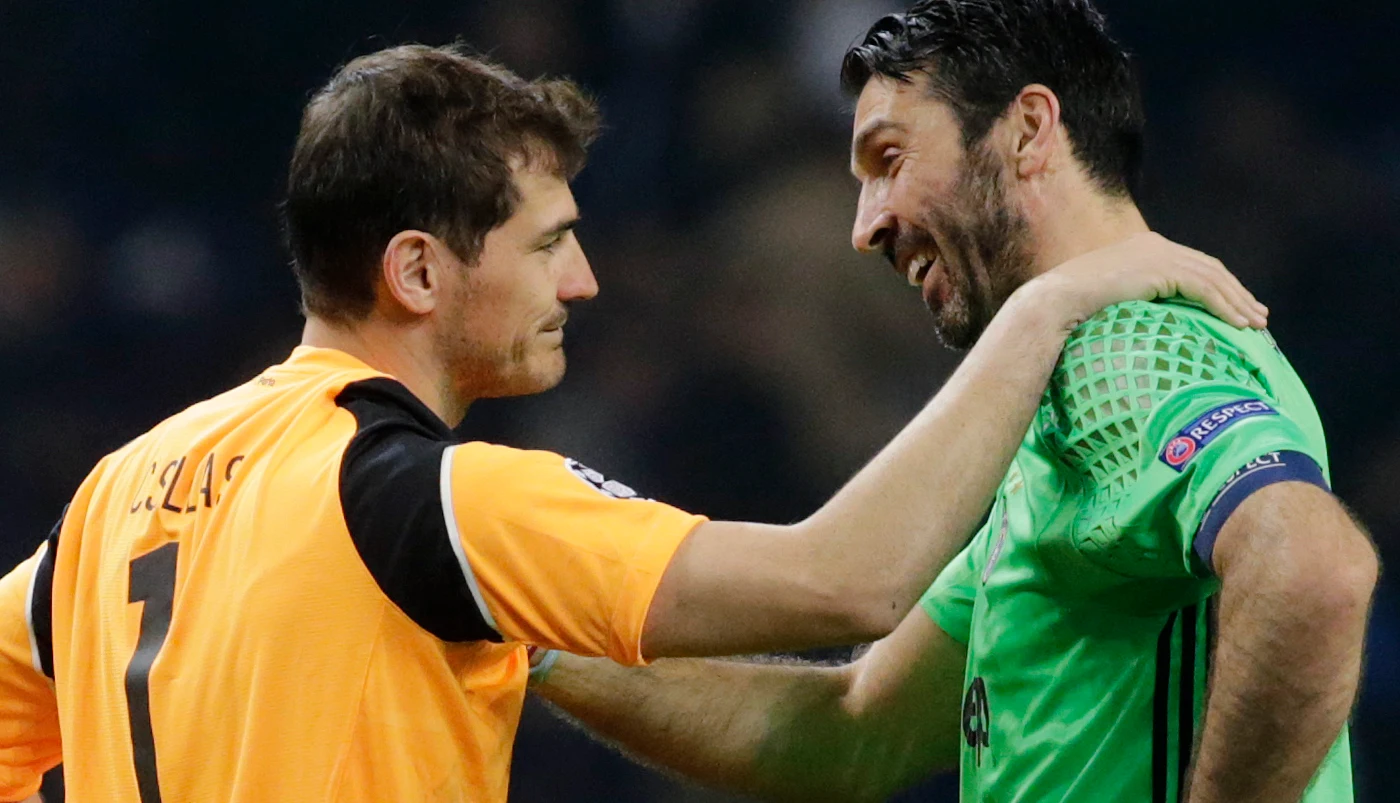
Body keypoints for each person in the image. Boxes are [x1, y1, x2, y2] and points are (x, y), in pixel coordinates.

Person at [0, 42, 1261, 803]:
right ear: (419, 273)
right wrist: (1044, 312)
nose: (583, 282)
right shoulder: (431, 497)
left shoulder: (109, 501)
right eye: (549, 244)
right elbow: (847, 581)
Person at [532, 3, 1379, 803]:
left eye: (890, 159)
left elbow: (1315, 572)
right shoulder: (1059, 394)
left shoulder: (1132, 351)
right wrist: (530, 644)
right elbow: (851, 729)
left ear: (1030, 129)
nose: (866, 225)